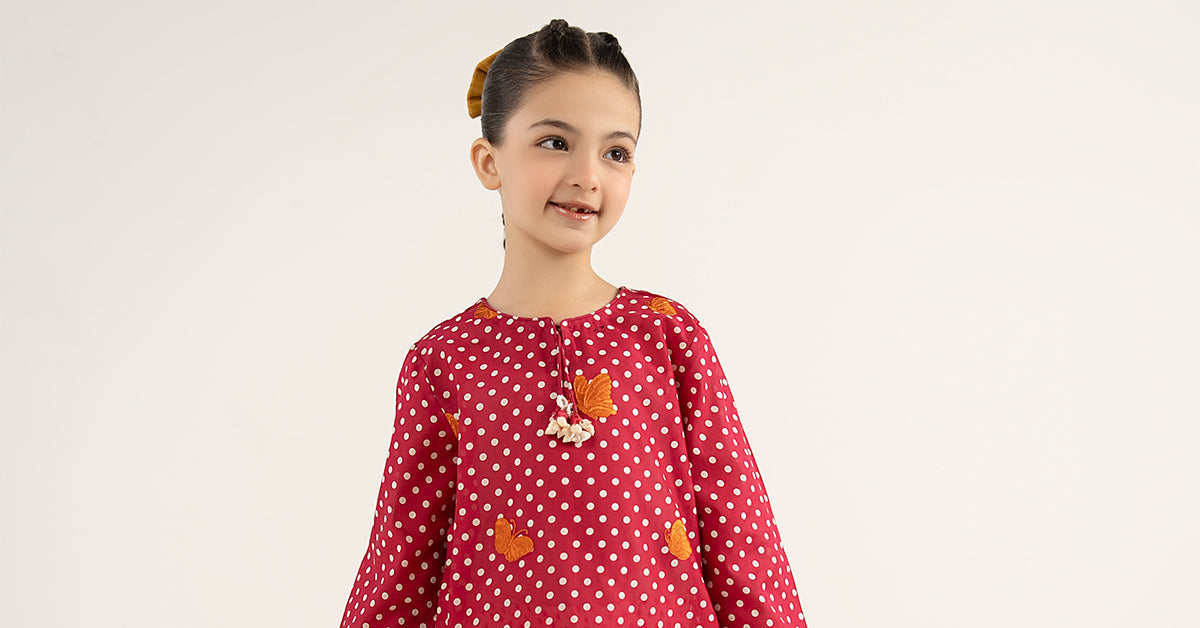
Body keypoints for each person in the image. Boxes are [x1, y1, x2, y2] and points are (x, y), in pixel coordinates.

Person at [338, 18, 809, 628]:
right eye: (555, 142)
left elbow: (742, 539)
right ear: (488, 161)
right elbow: (401, 565)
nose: (588, 174)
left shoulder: (667, 335)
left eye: (615, 152)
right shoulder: (443, 359)